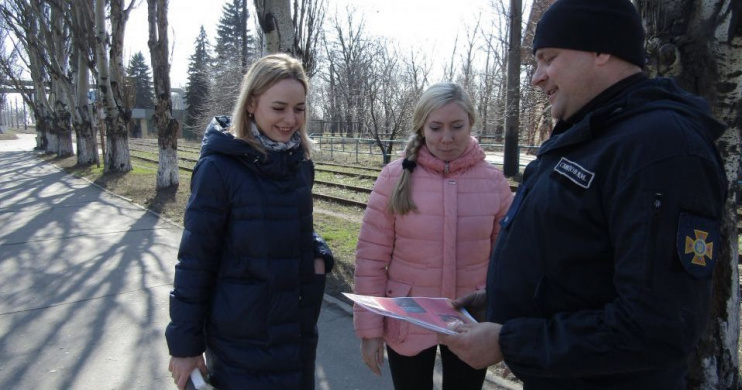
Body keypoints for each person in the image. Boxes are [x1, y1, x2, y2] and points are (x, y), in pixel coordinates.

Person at [438, 0, 728, 388]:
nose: (536, 79)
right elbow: (582, 257)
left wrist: (512, 340)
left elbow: (657, 326)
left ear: (603, 49)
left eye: (548, 58)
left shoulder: (660, 148)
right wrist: (503, 302)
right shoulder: (594, 133)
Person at [165, 53, 334, 390]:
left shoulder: (298, 162)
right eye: (279, 107)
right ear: (252, 104)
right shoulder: (219, 169)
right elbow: (195, 262)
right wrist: (185, 347)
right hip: (241, 345)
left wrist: (317, 253)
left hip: (296, 334)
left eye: (299, 108)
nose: (291, 119)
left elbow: (290, 224)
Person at [353, 82, 514, 389]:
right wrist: (370, 331)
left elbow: (507, 261)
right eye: (436, 127)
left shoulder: (493, 182)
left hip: (472, 320)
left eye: (457, 126)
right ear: (422, 126)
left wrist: (504, 325)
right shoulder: (393, 177)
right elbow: (371, 259)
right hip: (407, 318)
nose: (447, 138)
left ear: (471, 123)